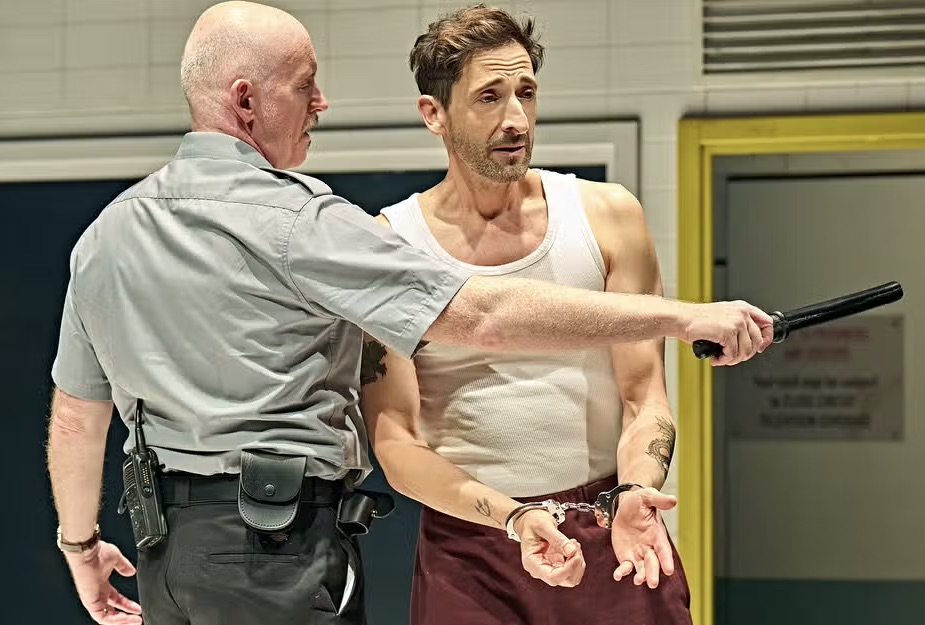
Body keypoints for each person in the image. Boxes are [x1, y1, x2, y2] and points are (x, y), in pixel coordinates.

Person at [45, 2, 772, 625]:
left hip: (169, 552)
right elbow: (478, 321)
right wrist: (681, 317)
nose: (321, 103)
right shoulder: (313, 224)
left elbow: (77, 417)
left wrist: (78, 547)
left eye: (527, 91)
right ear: (245, 101)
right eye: (304, 85)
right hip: (292, 547)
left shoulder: (106, 234)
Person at [359, 5, 710, 625]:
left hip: (610, 526)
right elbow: (395, 443)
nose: (517, 119)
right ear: (434, 114)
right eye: (489, 97)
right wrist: (514, 517)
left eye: (526, 92)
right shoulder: (389, 246)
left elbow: (644, 396)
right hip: (471, 546)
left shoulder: (608, 215)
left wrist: (636, 488)